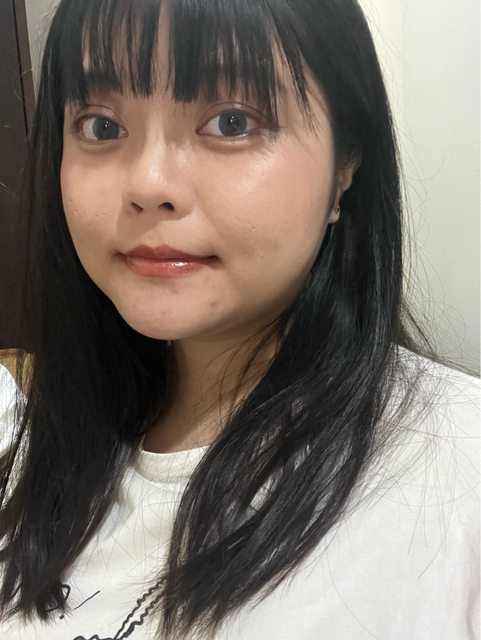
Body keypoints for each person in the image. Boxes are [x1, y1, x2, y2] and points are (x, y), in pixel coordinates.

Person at [0, 0, 479, 638]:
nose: (148, 184)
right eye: (101, 126)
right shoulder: (42, 447)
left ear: (345, 164)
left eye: (232, 121)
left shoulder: (458, 474)